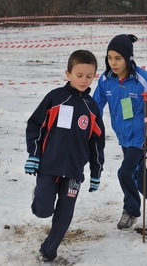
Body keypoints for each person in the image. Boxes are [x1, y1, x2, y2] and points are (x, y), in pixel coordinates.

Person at [24, 50, 105, 263]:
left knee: (65, 214)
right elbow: (35, 126)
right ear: (68, 73)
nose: (84, 80)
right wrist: (34, 154)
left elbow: (97, 142)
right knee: (43, 211)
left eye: (89, 76)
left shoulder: (92, 107)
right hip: (49, 165)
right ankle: (39, 198)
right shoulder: (55, 97)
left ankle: (48, 251)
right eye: (79, 75)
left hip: (74, 172)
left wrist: (96, 172)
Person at [93, 34, 147, 230]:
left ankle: (131, 210)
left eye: (118, 58)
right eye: (110, 57)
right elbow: (95, 105)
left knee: (125, 172)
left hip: (141, 135)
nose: (113, 62)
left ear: (128, 58)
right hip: (123, 134)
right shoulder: (105, 80)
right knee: (137, 171)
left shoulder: (142, 79)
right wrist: (87, 124)